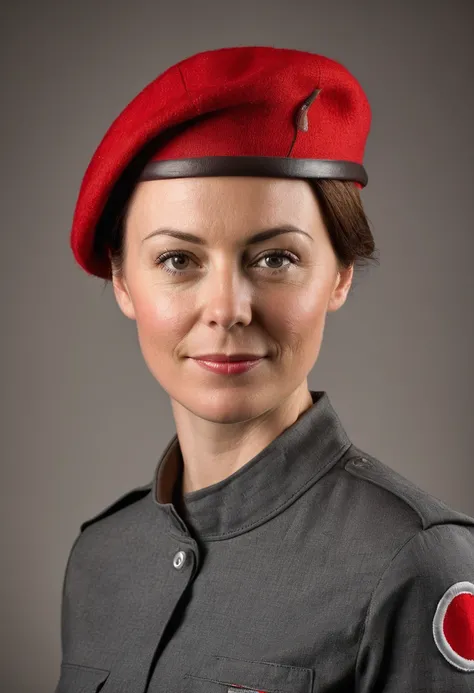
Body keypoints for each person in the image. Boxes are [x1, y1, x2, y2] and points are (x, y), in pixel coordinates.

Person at [56, 46, 474, 693]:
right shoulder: (100, 559)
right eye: (177, 260)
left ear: (339, 274)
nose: (226, 309)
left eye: (275, 258)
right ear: (121, 277)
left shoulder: (417, 564)